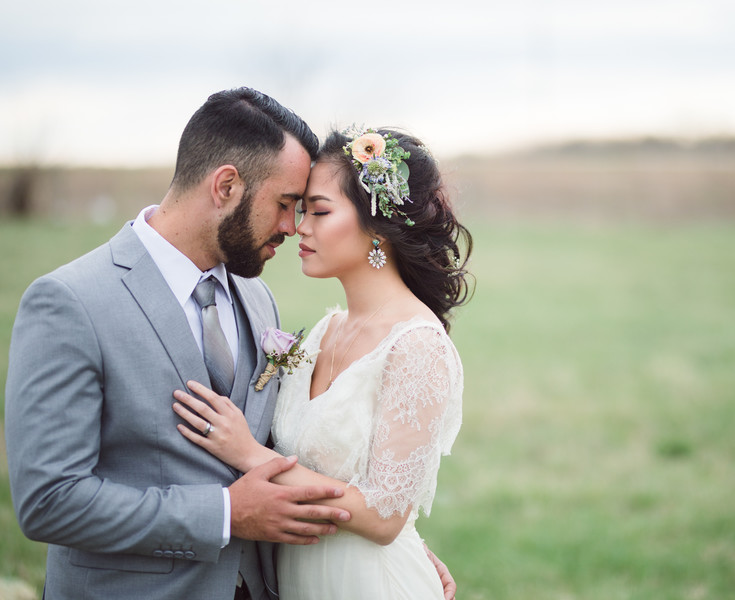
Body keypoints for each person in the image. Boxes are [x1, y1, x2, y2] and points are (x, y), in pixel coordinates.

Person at [4, 89, 455, 600]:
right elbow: (49, 501)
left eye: (308, 209)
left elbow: (286, 450)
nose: (292, 227)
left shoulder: (257, 297)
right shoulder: (71, 302)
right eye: (287, 204)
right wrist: (224, 515)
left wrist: (389, 546)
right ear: (226, 186)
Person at [171, 125, 472, 599]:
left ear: (378, 225)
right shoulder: (324, 332)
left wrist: (247, 451)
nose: (298, 228)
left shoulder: (416, 346)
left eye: (319, 211)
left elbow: (383, 517)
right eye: (298, 209)